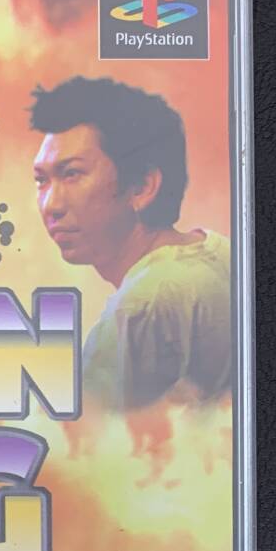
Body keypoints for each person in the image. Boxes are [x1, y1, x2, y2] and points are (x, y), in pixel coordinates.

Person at [30, 76, 231, 410]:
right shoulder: (220, 251)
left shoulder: (140, 308)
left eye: (72, 174)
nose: (51, 204)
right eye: (41, 180)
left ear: (142, 187)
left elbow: (84, 440)